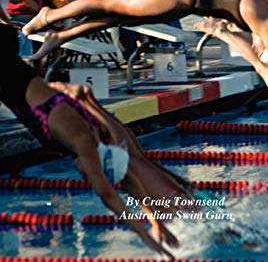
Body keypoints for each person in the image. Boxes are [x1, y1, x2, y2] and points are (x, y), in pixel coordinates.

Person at [22, 0, 268, 135]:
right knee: (110, 5)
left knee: (121, 17)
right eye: (261, 50)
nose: (255, 48)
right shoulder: (265, 23)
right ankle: (51, 15)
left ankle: (59, 36)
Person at [0, 23, 193, 256]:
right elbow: (108, 194)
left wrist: (155, 223)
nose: (83, 173)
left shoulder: (94, 134)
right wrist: (146, 237)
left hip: (17, 75)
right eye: (90, 172)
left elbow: (130, 182)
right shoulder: (85, 143)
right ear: (99, 161)